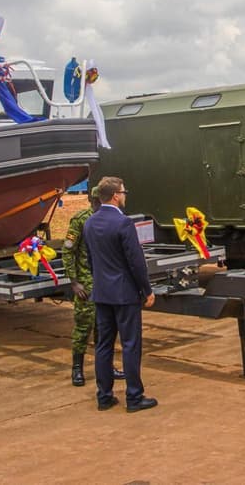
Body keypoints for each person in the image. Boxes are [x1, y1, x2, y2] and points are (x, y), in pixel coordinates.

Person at [83, 176, 157, 412]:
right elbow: (136, 262)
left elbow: (91, 259)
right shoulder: (123, 223)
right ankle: (134, 397)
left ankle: (104, 396)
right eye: (124, 192)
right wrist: (146, 289)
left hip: (102, 292)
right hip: (124, 294)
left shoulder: (90, 223)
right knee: (130, 344)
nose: (125, 196)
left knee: (103, 345)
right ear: (115, 196)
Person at [63, 185, 125, 387]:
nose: (98, 203)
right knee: (83, 327)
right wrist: (74, 282)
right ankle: (77, 369)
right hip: (86, 285)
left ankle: (106, 367)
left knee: (105, 329)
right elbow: (68, 251)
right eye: (96, 200)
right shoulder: (81, 220)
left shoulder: (108, 219)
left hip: (104, 282)